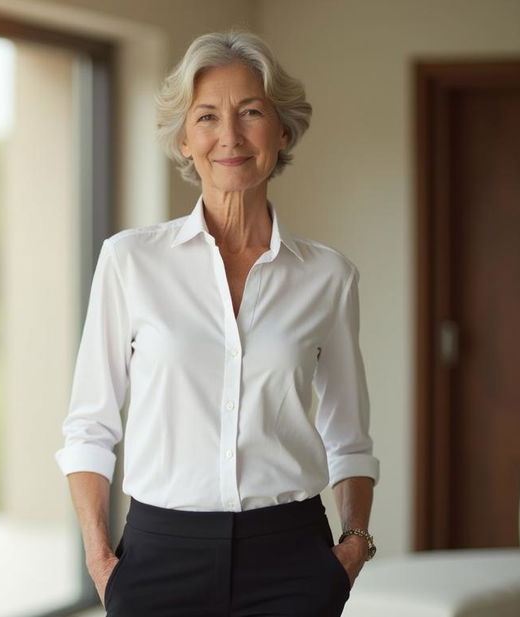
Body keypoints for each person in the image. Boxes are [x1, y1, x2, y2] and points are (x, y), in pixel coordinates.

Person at [54, 30, 380, 617]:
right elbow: (89, 427)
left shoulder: (329, 277)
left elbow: (349, 437)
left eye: (250, 112)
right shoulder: (129, 261)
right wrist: (101, 562)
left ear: (282, 131)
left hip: (292, 561)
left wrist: (352, 548)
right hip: (158, 558)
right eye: (207, 116)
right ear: (184, 138)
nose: (228, 136)